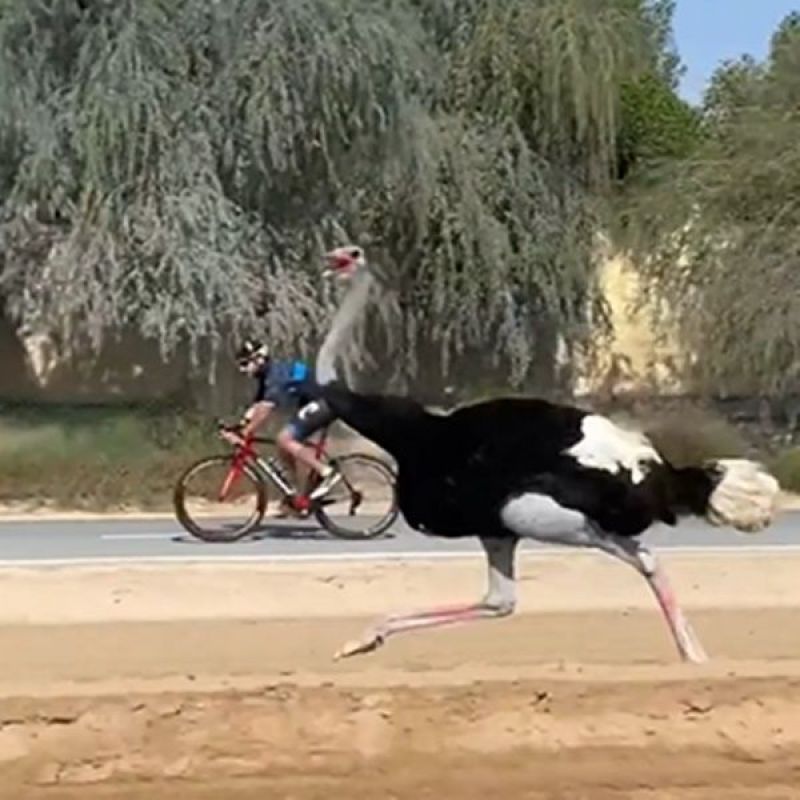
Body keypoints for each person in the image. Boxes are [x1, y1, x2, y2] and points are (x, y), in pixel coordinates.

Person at [220, 338, 342, 506]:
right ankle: (297, 493)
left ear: (259, 360)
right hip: (314, 402)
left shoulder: (276, 375)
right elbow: (256, 407)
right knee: (283, 447)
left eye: (245, 364)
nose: (242, 370)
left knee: (285, 439)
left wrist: (244, 433)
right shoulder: (266, 378)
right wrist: (239, 425)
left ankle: (327, 472)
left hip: (326, 402)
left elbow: (265, 410)